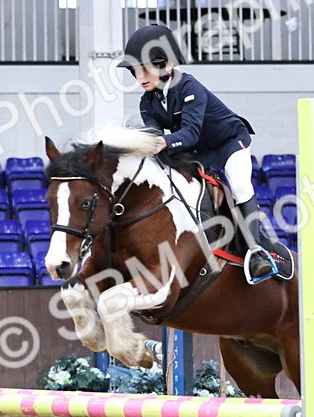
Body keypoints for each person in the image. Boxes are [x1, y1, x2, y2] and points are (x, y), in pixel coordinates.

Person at [118, 24, 290, 284]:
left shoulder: (189, 87)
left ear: (165, 65)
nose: (139, 77)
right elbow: (155, 136)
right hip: (196, 151)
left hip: (229, 143)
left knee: (241, 185)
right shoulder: (147, 102)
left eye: (144, 69)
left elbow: (189, 133)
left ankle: (257, 252)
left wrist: (162, 142)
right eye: (135, 71)